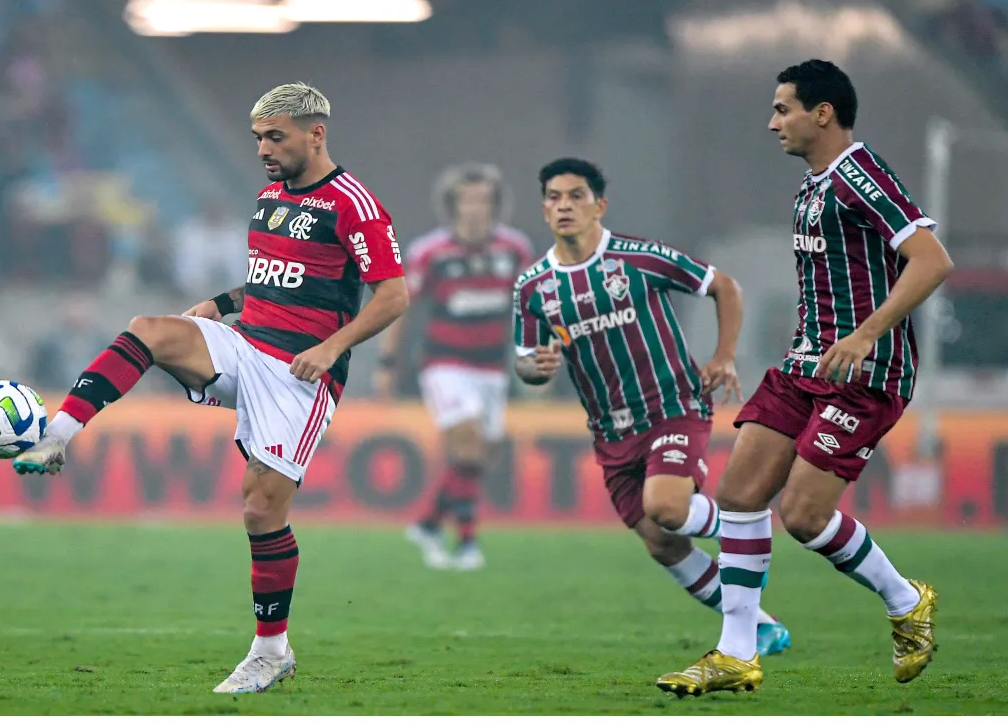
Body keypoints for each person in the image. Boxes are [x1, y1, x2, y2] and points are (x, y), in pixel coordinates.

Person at [12, 82, 409, 695]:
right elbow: (273, 282)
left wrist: (333, 347)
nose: (263, 150)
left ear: (316, 133)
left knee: (260, 507)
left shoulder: (354, 203)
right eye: (257, 138)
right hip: (247, 343)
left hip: (302, 373)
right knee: (151, 330)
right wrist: (220, 304)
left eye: (275, 137)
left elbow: (393, 294)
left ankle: (271, 650)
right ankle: (56, 435)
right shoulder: (272, 196)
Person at [657, 60, 952, 697]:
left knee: (803, 516)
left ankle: (905, 600)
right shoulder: (811, 187)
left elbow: (932, 261)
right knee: (738, 495)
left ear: (823, 113)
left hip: (865, 373)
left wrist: (866, 333)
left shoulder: (860, 174)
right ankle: (735, 654)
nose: (773, 123)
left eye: (783, 108)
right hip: (803, 366)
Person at [512, 157, 790, 658]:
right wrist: (538, 367)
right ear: (543, 208)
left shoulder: (637, 258)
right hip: (611, 432)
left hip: (672, 406)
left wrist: (724, 356)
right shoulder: (533, 287)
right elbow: (525, 364)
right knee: (662, 542)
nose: (564, 206)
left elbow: (723, 285)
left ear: (600, 204)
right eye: (554, 197)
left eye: (576, 196)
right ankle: (762, 625)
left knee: (666, 508)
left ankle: (746, 525)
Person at [376, 163, 534, 570]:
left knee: (483, 453)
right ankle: (466, 543)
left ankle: (428, 522)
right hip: (444, 363)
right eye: (468, 199)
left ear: (495, 204)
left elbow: (530, 305)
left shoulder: (514, 249)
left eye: (483, 199)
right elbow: (402, 309)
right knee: (466, 440)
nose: (476, 208)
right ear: (453, 205)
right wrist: (388, 361)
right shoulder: (431, 252)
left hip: (492, 367)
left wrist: (535, 349)